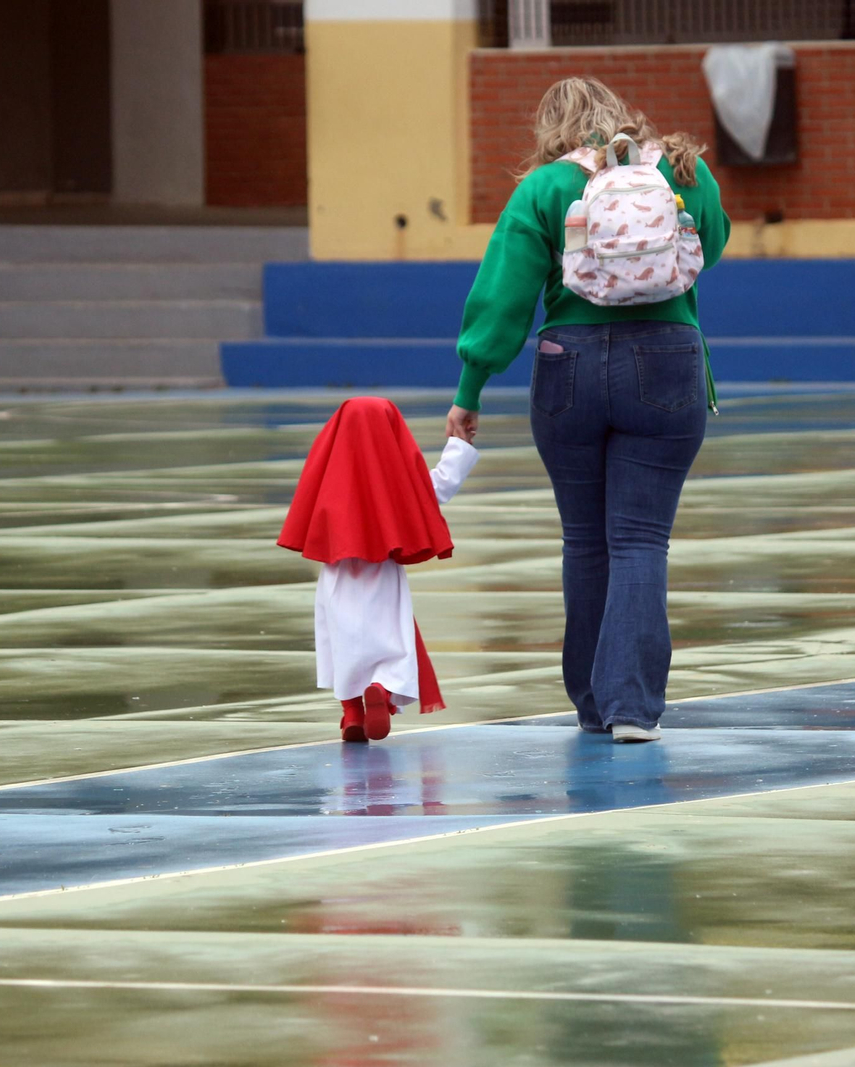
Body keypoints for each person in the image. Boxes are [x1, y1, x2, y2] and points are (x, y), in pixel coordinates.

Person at [446, 77, 730, 743]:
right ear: (619, 114)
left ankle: (592, 704)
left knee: (584, 539)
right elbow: (707, 252)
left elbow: (503, 297)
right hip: (665, 360)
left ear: (552, 131)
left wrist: (470, 387)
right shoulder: (683, 171)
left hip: (566, 366)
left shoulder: (544, 189)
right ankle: (633, 706)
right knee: (639, 538)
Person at [279, 397, 479, 743]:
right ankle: (382, 692)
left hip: (336, 572)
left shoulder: (328, 471)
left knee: (340, 642)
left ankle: (351, 711)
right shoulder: (398, 480)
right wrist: (459, 444)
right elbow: (439, 487)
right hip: (383, 571)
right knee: (391, 641)